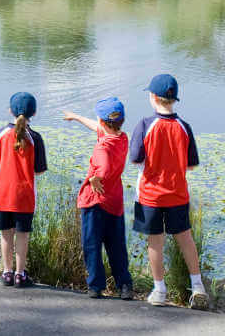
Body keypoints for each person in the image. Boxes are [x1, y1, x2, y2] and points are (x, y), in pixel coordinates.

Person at [130, 73, 208, 310]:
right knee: (185, 239)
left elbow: (135, 159)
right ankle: (198, 287)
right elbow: (191, 164)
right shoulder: (185, 127)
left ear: (153, 97)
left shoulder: (145, 124)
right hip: (178, 194)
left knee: (155, 242)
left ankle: (159, 290)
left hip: (150, 195)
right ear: (174, 99)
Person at [65, 97, 133, 300]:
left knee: (92, 244)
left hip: (95, 202)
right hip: (114, 202)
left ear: (103, 122)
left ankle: (95, 286)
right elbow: (98, 126)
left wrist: (96, 177)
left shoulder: (102, 146)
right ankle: (125, 285)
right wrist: (76, 117)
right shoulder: (122, 138)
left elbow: (102, 166)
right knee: (116, 246)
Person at [0, 92, 47, 288]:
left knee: (6, 233)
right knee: (22, 235)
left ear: (10, 110)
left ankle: (7, 273)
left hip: (3, 193)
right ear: (34, 113)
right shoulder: (35, 138)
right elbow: (38, 171)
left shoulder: (1, 134)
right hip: (25, 195)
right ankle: (20, 274)